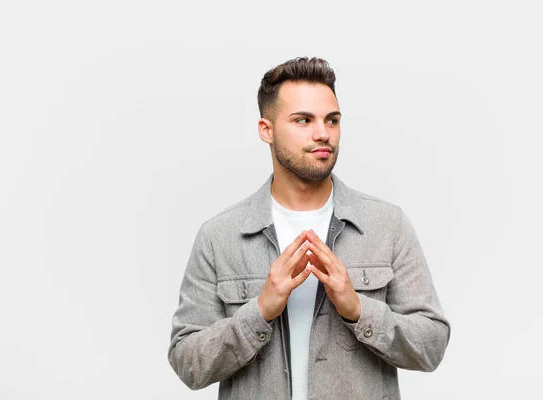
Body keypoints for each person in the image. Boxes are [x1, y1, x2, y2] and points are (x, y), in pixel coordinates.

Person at [168, 57, 450, 400]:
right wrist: (259, 312)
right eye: (303, 120)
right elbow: (187, 363)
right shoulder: (220, 236)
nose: (322, 133)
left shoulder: (388, 225)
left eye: (332, 120)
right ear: (266, 130)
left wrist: (358, 310)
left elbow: (432, 344)